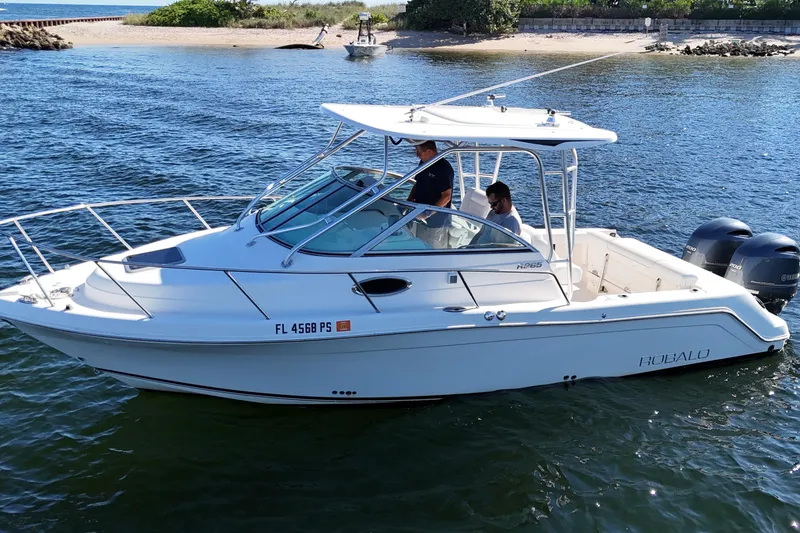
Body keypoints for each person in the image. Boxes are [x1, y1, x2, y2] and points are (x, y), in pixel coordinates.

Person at [407, 141, 454, 249]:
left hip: (437, 221)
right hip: (419, 215)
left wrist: (427, 213)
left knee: (434, 251)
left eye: (418, 152)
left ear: (429, 151)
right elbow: (418, 183)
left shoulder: (443, 168)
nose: (417, 155)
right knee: (420, 247)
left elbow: (446, 196)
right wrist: (410, 199)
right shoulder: (423, 163)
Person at [470, 181, 522, 246]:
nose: (491, 207)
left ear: (503, 200)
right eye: (490, 203)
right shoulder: (493, 213)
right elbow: (481, 233)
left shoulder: (511, 222)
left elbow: (504, 250)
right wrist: (468, 249)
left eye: (493, 204)